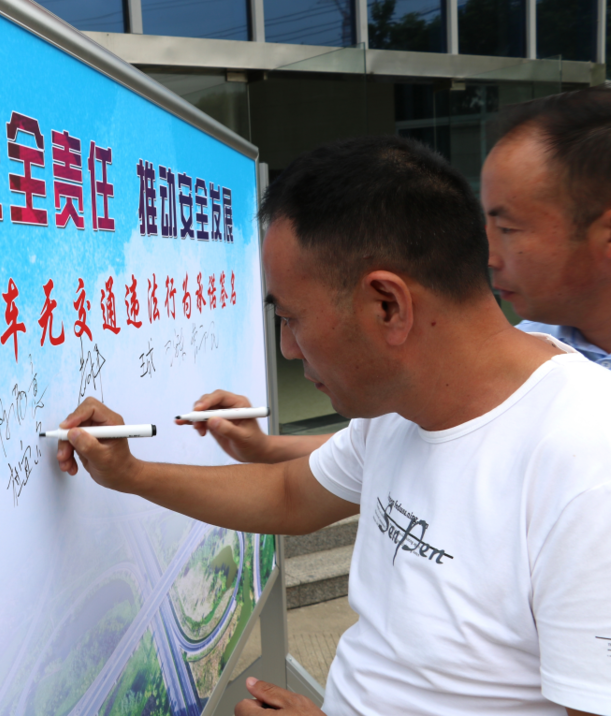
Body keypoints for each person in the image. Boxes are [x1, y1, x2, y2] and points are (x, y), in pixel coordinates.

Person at [56, 136, 611, 715]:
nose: (287, 348)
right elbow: (290, 494)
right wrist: (132, 474)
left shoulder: (587, 462)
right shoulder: (397, 410)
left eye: (291, 317)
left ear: (387, 305)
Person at [191, 85, 611, 467]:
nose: (489, 254)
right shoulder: (531, 343)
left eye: (509, 227)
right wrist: (266, 449)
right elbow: (368, 454)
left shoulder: (581, 427)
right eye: (486, 223)